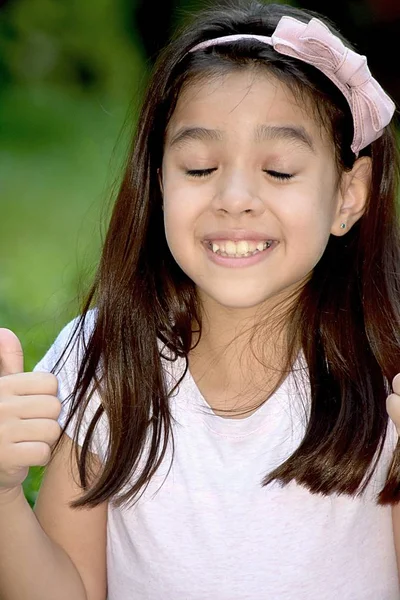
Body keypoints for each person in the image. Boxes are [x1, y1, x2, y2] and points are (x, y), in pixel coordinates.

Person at [0, 1, 399, 599]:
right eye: (200, 166)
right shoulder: (105, 357)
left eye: (280, 171)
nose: (234, 198)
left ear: (348, 195)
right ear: (160, 180)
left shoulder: (386, 367)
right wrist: (3, 495)